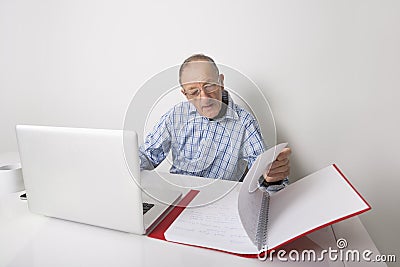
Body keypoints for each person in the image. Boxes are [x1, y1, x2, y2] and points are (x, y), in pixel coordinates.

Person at [139, 54, 291, 191]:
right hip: (180, 200)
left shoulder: (245, 123)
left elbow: (263, 176)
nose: (205, 97)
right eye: (194, 91)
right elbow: (148, 155)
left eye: (209, 85)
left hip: (222, 204)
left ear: (221, 82)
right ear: (185, 94)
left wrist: (270, 179)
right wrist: (124, 167)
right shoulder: (175, 115)